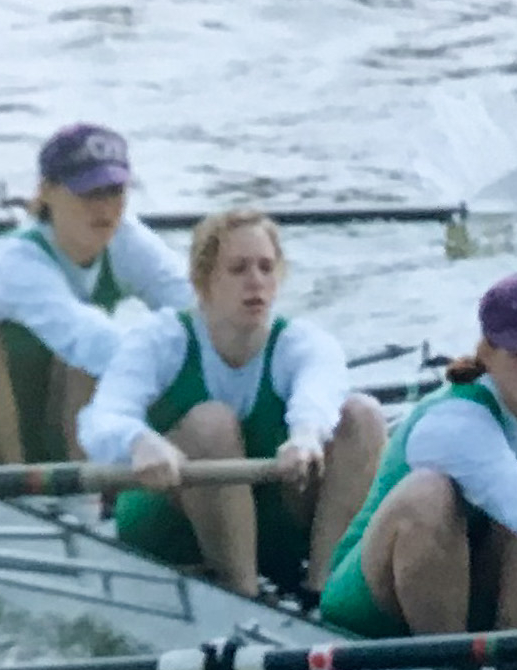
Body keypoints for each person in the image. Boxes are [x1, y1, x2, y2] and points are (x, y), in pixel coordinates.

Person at [74, 209, 386, 599]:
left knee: (364, 416)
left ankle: (322, 591)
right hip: (169, 524)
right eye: (238, 269)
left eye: (266, 267)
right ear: (203, 281)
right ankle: (242, 593)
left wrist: (305, 436)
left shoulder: (302, 344)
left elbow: (319, 391)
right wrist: (139, 442)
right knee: (212, 424)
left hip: (272, 518)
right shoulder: (161, 340)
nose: (256, 281)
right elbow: (102, 418)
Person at [317, 275, 517, 642]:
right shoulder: (453, 421)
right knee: (431, 493)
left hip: (475, 588)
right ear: (488, 356)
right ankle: (449, 667)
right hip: (370, 602)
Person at [0, 124, 195, 466]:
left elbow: (196, 310)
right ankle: (17, 486)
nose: (105, 208)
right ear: (46, 192)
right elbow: (88, 338)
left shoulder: (126, 239)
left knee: (114, 350)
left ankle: (86, 492)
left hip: (57, 437)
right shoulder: (11, 261)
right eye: (89, 192)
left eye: (114, 191)